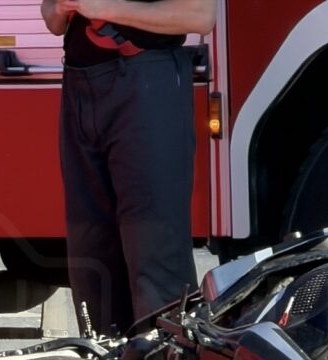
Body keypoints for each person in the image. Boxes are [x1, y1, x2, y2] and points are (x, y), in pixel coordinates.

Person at [40, 0, 216, 336]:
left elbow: (199, 16)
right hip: (80, 84)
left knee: (155, 258)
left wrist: (104, 8)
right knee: (91, 259)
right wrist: (63, 8)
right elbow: (52, 19)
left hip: (148, 77)